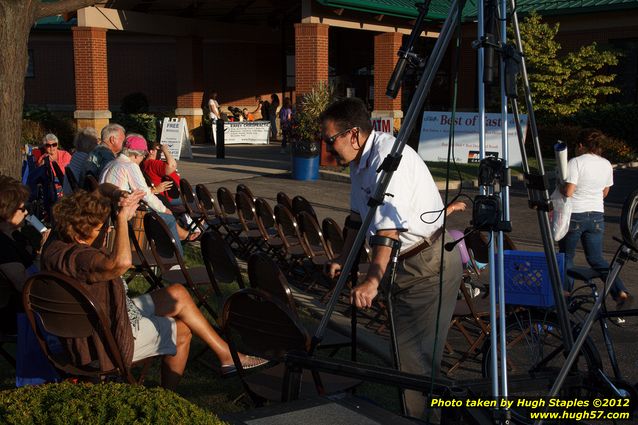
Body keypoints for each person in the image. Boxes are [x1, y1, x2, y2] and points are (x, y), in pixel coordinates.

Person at [321, 97, 462, 419]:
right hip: (404, 262)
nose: (328, 149)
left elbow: (390, 230)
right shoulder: (360, 161)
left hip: (426, 264)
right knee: (408, 355)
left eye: (331, 140)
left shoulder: (388, 158)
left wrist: (371, 280)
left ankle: (425, 419)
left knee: (414, 361)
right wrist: (346, 259)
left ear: (353, 135)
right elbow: (358, 219)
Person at [42, 190, 267, 390]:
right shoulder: (83, 258)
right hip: (107, 338)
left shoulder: (54, 245)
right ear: (81, 234)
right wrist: (121, 221)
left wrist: (118, 197)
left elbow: (99, 191)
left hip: (102, 316)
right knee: (181, 331)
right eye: (102, 228)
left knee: (177, 293)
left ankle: (226, 355)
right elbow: (120, 264)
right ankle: (166, 396)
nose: (107, 230)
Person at [560, 129, 632, 309]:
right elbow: (605, 192)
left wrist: (560, 187)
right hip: (597, 216)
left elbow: (569, 191)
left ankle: (565, 293)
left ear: (581, 145)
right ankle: (620, 292)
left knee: (566, 256)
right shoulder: (606, 164)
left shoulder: (576, 162)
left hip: (575, 214)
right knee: (596, 258)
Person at [99, 134, 194, 252]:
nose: (143, 158)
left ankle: (176, 247)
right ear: (135, 154)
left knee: (163, 211)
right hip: (123, 213)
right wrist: (164, 210)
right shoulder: (130, 166)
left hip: (108, 211)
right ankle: (176, 259)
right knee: (168, 219)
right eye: (142, 156)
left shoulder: (111, 163)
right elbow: (145, 194)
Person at [141, 141, 181, 206]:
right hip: (170, 196)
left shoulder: (144, 163)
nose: (160, 153)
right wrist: (165, 150)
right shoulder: (153, 164)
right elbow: (172, 165)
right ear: (151, 151)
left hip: (165, 194)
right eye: (159, 151)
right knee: (196, 198)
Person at [63, 127, 99, 195]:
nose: (97, 145)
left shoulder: (75, 155)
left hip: (69, 193)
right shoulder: (87, 159)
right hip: (80, 197)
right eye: (96, 142)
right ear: (89, 144)